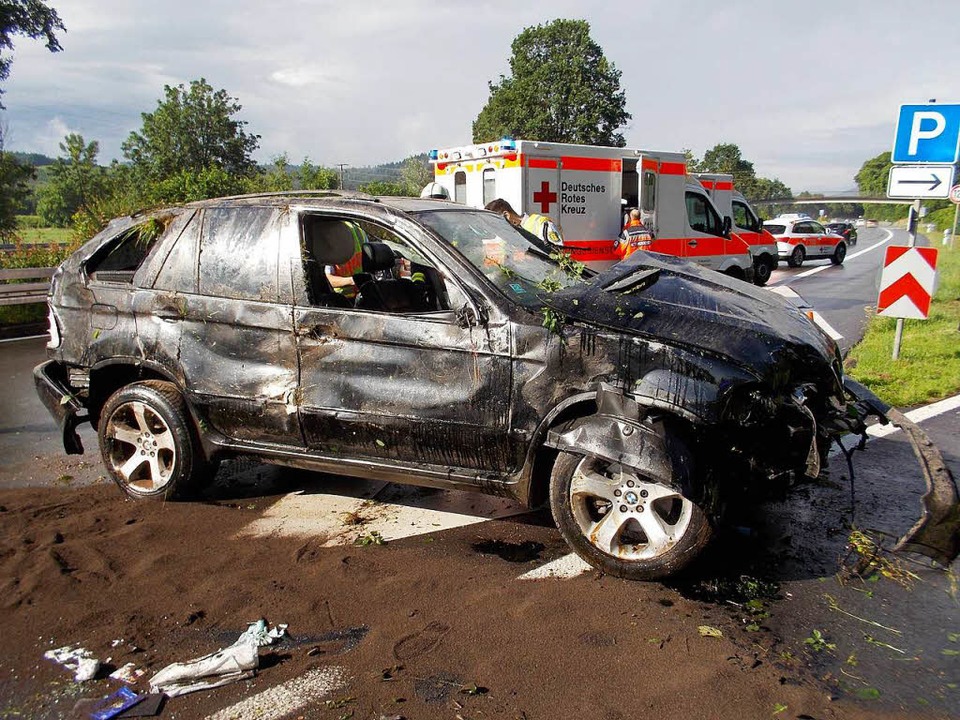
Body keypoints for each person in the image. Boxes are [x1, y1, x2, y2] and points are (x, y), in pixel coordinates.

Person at [485, 198, 563, 246]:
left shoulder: (541, 225)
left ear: (506, 215)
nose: (499, 229)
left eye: (498, 224)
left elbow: (559, 255)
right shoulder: (509, 234)